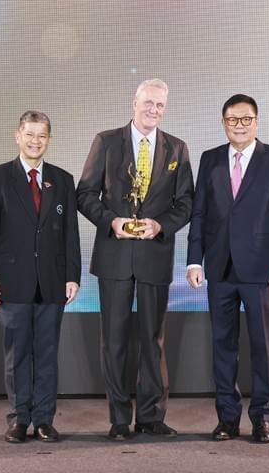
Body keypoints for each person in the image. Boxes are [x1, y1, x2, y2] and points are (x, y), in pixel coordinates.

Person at [77, 79, 194, 439]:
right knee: (113, 341)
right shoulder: (106, 141)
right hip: (114, 256)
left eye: (160, 105)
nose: (153, 110)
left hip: (155, 257)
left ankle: (151, 416)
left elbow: (186, 202)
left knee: (152, 340)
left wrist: (160, 225)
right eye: (148, 103)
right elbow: (84, 194)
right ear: (134, 103)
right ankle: (118, 420)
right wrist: (112, 221)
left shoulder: (177, 148)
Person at [187, 94, 269, 443]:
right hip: (219, 269)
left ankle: (262, 418)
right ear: (224, 123)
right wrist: (194, 260)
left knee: (261, 346)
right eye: (233, 120)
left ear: (257, 122)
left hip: (261, 270)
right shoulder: (210, 159)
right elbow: (199, 213)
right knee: (222, 345)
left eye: (246, 119)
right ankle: (227, 419)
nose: (239, 125)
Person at [0, 111, 81, 443]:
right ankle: (19, 419)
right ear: (17, 136)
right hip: (11, 281)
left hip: (51, 281)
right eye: (30, 134)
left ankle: (44, 420)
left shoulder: (62, 180)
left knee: (47, 353)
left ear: (49, 140)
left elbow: (70, 235)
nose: (36, 141)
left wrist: (72, 276)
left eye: (42, 136)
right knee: (18, 353)